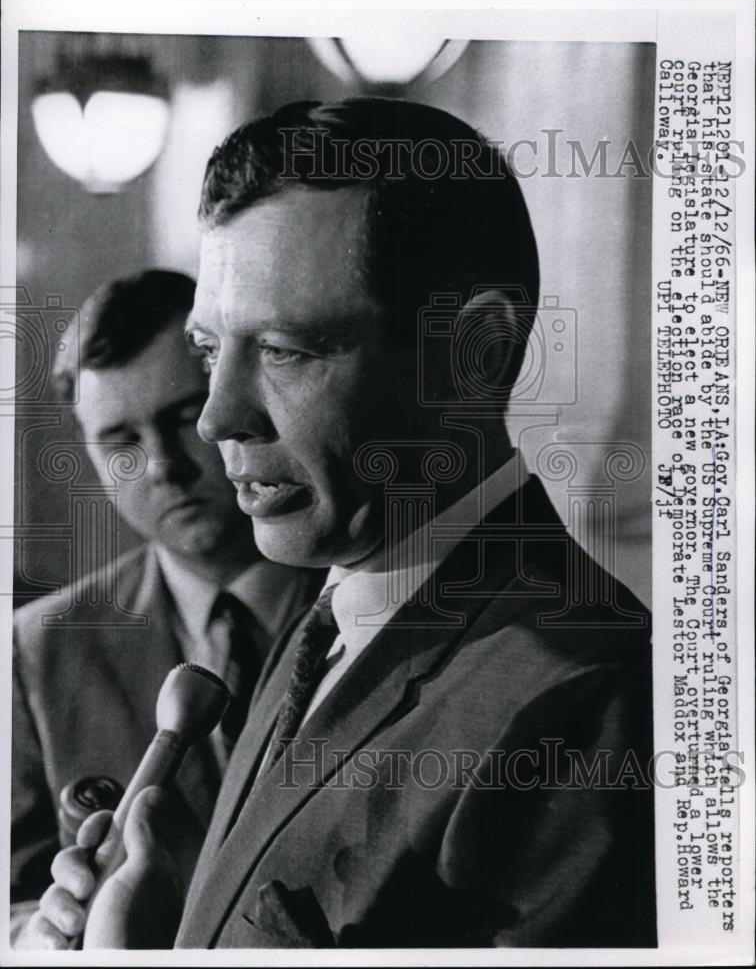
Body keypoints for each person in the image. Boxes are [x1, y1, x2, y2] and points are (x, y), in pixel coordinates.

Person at [36, 100, 656, 949]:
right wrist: (192, 912)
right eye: (213, 350)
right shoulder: (334, 613)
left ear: (477, 351)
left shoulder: (588, 708)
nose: (217, 420)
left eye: (287, 350)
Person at [11, 269, 323, 948]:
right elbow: (13, 904)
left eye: (185, 418)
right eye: (121, 442)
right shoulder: (35, 653)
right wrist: (40, 937)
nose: (163, 466)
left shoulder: (359, 605)